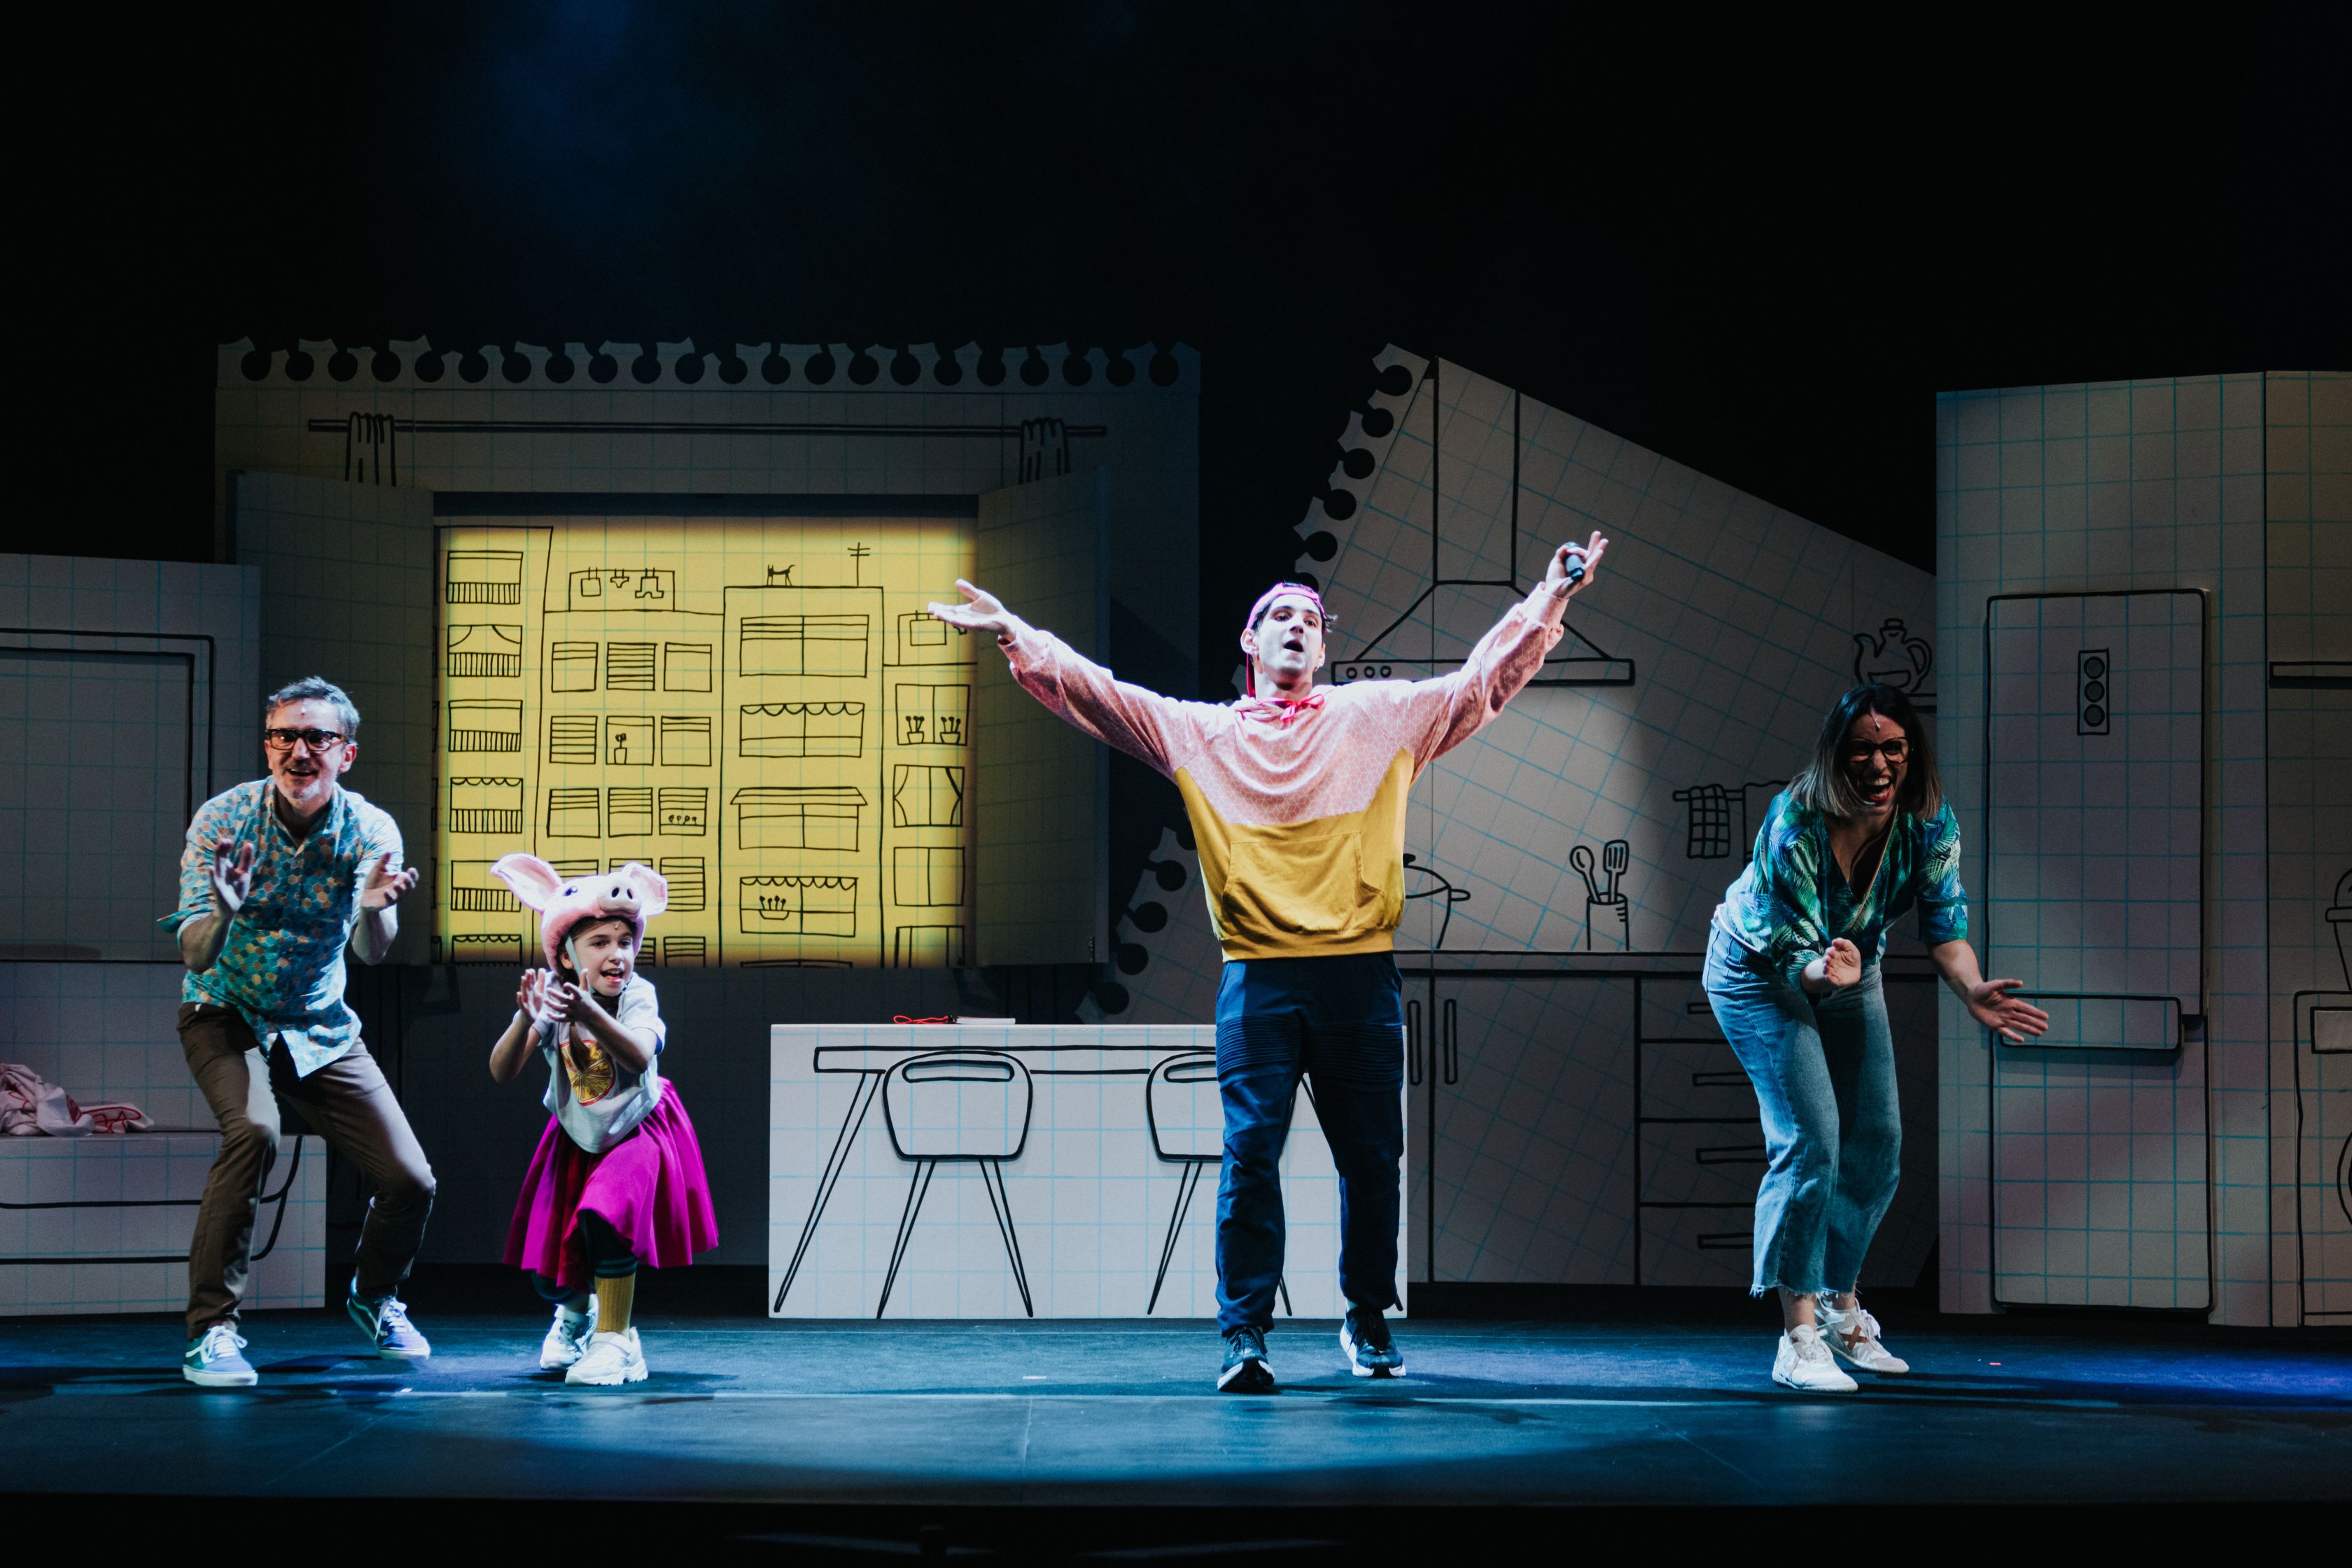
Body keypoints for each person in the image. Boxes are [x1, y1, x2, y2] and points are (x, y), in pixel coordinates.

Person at [930, 531, 1609, 1391]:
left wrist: (1551, 597)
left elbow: (1480, 683)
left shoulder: (1376, 716)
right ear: (1250, 642)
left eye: (1310, 620)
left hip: (1358, 974)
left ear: (1322, 650)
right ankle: (1244, 1332)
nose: (1296, 626)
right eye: (1279, 616)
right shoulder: (1203, 733)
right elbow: (1100, 694)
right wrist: (1015, 632)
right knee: (1250, 1154)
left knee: (1373, 1159)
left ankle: (1366, 1315)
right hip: (1260, 976)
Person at [1704, 683, 2048, 1392]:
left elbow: (1945, 926)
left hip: (1849, 966)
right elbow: (1796, 957)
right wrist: (1826, 976)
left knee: (1878, 1140)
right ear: (1837, 756)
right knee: (1812, 1140)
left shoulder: (1928, 821)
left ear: (1910, 753)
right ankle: (1798, 1335)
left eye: (1893, 747)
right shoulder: (1795, 823)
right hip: (1760, 972)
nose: (1879, 763)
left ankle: (1839, 1304)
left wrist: (1970, 987)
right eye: (1862, 750)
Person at [164, 677, 434, 1388]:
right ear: (268, 746)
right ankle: (211, 1331)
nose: (299, 750)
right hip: (225, 1011)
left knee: (410, 1179)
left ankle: (375, 1297)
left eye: (317, 737)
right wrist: (224, 909)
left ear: (346, 753)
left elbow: (373, 950)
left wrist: (372, 907)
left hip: (319, 1024)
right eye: (284, 735)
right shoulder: (225, 820)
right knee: (255, 1132)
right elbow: (195, 954)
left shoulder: (369, 829)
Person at [487, 855, 718, 1386]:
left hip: (639, 1128)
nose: (618, 954)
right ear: (566, 958)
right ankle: (577, 1315)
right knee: (553, 1266)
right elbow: (502, 1071)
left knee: (606, 1217)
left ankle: (617, 1342)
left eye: (625, 942)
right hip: (577, 1136)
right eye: (600, 943)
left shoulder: (638, 996)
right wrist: (526, 1018)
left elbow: (638, 1055)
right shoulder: (556, 999)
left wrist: (589, 1013)